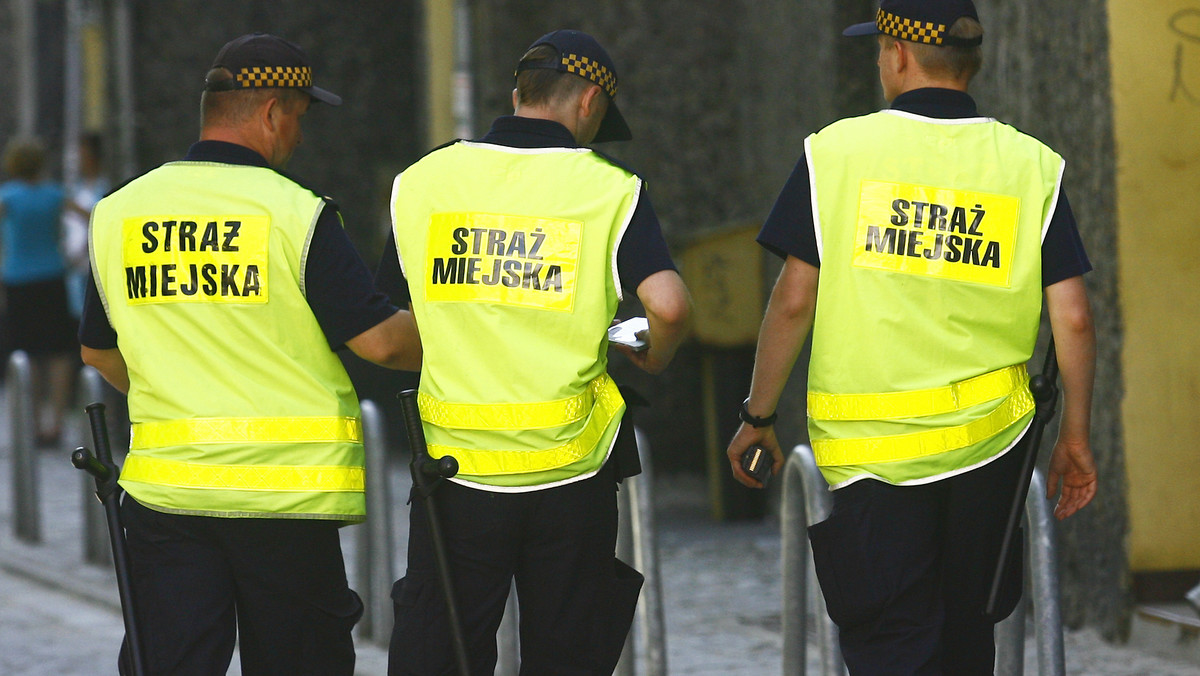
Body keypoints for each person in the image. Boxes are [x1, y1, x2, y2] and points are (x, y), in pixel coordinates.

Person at [725, 1, 1098, 673]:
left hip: (873, 461)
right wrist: (1076, 435)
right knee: (967, 642)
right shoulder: (1031, 167)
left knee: (891, 646)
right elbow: (1072, 315)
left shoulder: (836, 153)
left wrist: (758, 415)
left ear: (898, 53)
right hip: (989, 450)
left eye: (877, 50)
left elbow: (793, 301)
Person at [79, 33, 421, 675]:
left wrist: (175, 394)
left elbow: (98, 352)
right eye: (301, 115)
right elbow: (380, 340)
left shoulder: (118, 213)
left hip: (167, 501)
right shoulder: (297, 213)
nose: (299, 133)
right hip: (285, 503)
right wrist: (462, 335)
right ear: (272, 112)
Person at [379, 29, 692, 675]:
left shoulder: (423, 181)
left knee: (442, 653)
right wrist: (654, 353)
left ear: (516, 93)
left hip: (454, 476)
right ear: (588, 104)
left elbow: (394, 331)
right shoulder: (610, 187)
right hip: (570, 479)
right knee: (566, 655)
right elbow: (668, 306)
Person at [0, 136, 85, 447]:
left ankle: (33, 422)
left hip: (18, 280)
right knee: (59, 352)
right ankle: (57, 423)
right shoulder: (55, 194)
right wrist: (75, 258)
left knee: (28, 353)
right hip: (52, 277)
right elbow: (91, 218)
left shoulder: (7, 196)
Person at [63, 132, 110, 319]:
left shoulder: (105, 187)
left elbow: (101, 220)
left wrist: (85, 249)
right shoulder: (75, 188)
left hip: (92, 263)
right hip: (72, 266)